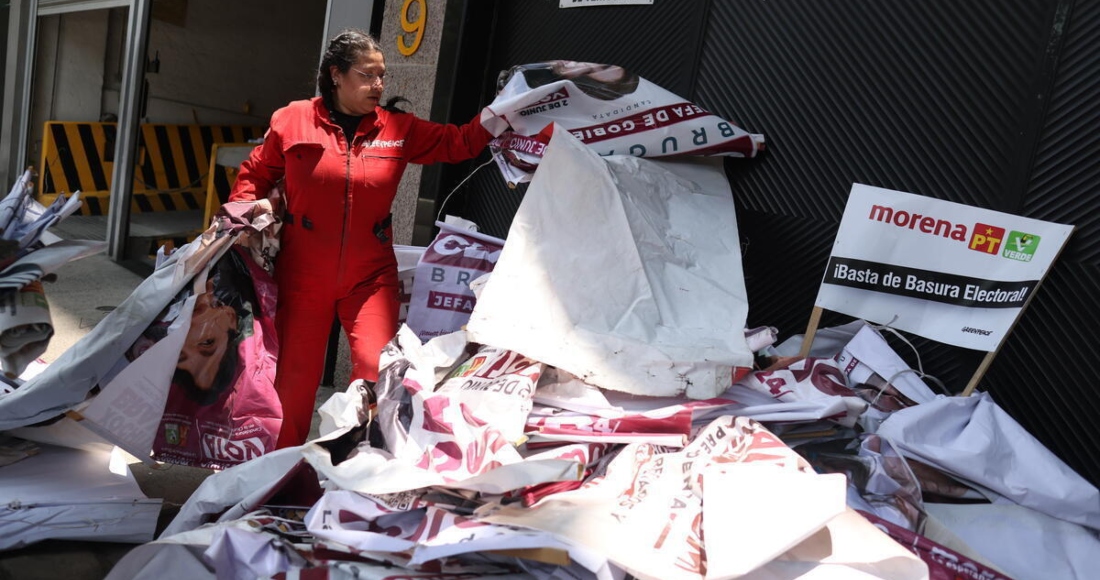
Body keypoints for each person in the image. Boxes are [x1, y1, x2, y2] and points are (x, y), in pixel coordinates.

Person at [228, 29, 494, 448]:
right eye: (368, 75)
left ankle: (354, 468)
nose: (379, 85)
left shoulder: (398, 128)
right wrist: (240, 218)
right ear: (336, 75)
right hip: (302, 271)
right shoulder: (292, 119)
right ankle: (281, 474)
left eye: (383, 76)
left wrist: (505, 113)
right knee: (293, 383)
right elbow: (256, 173)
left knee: (377, 372)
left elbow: (460, 143)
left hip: (370, 273)